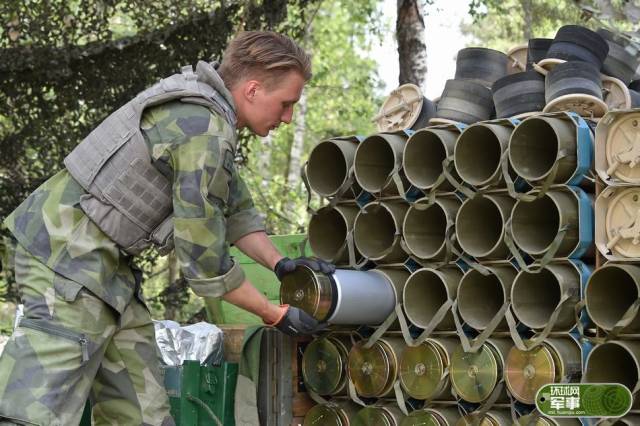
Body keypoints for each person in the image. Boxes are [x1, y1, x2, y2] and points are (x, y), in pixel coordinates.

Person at [0, 31, 333, 426]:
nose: (288, 117)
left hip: (109, 273)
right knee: (33, 412)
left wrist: (281, 264)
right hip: (66, 257)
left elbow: (236, 212)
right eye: (286, 104)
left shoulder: (209, 119)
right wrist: (274, 314)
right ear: (254, 89)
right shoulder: (202, 130)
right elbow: (205, 263)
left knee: (144, 415)